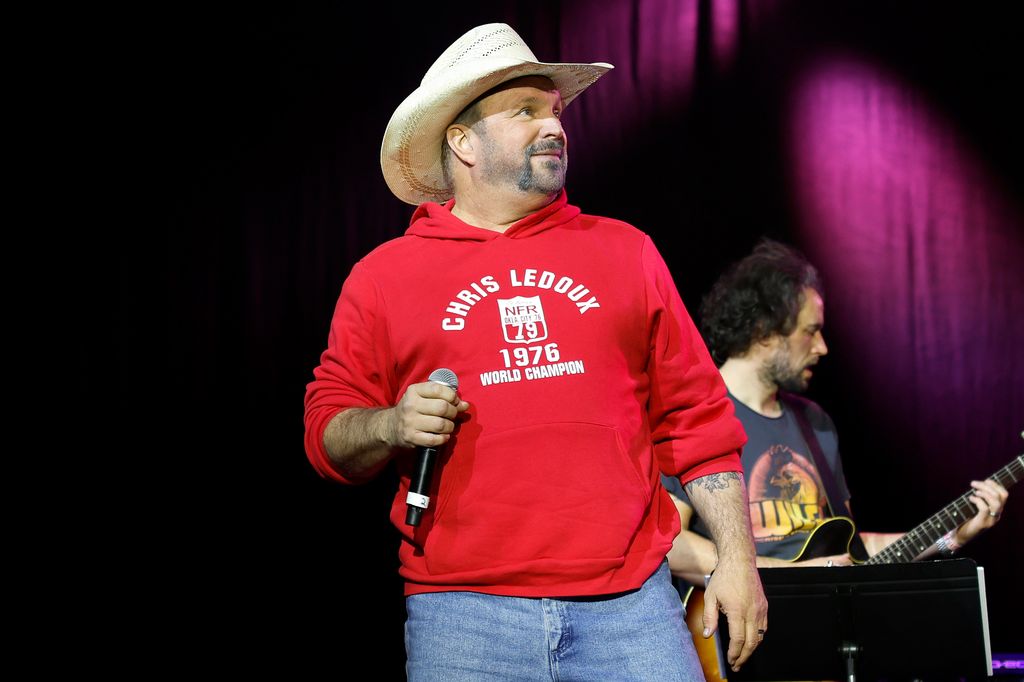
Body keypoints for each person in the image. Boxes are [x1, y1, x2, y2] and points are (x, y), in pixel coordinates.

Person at [304, 22, 767, 681]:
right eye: (524, 112)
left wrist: (737, 561)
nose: (555, 127)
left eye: (553, 112)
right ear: (462, 141)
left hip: (632, 610)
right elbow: (327, 432)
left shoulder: (625, 251)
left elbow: (696, 419)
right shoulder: (383, 277)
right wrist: (390, 424)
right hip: (463, 616)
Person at [662, 237, 1009, 587]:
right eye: (810, 331)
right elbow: (672, 545)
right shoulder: (695, 413)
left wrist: (953, 537)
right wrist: (797, 577)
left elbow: (853, 552)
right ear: (764, 331)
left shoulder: (815, 424)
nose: (822, 347)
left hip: (818, 624)